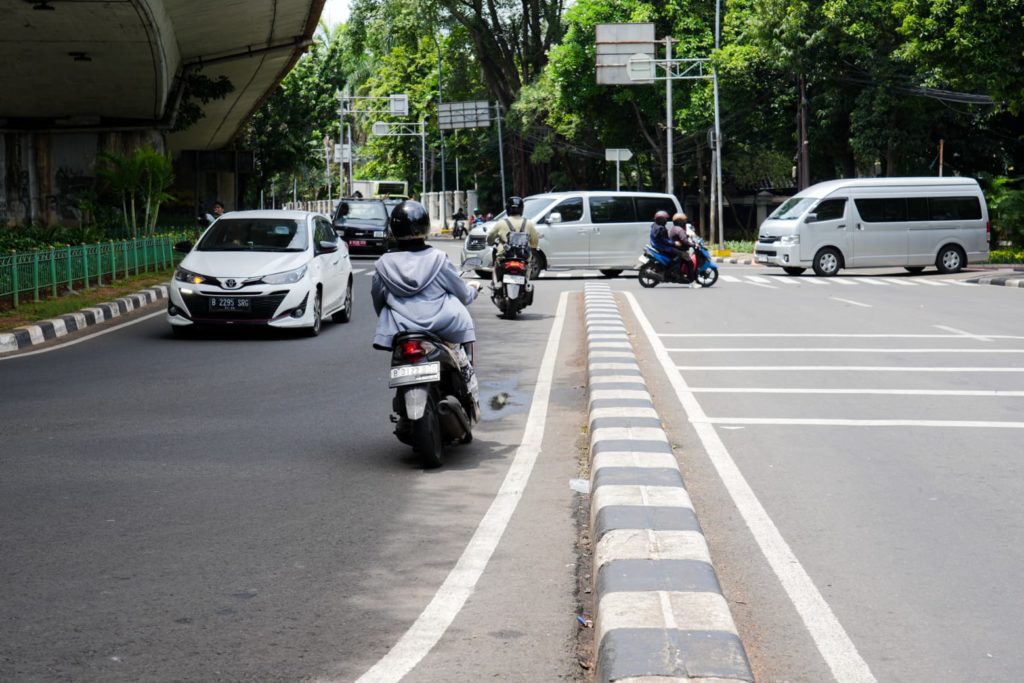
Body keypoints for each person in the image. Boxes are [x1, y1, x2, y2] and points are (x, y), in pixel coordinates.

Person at [372, 200, 482, 401]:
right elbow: (463, 295)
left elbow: (378, 303)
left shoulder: (382, 265)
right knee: (462, 355)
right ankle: (467, 376)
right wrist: (474, 289)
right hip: (443, 326)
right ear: (425, 226)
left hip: (402, 330)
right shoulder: (439, 259)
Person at [486, 196, 540, 270]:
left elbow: (490, 238)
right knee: (528, 269)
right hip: (524, 257)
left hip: (504, 257)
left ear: (507, 209)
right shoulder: (529, 223)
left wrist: (491, 242)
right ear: (522, 209)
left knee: (496, 268)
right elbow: (535, 243)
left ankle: (494, 280)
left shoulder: (501, 223)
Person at [669, 212, 697, 280]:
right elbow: (684, 241)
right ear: (679, 221)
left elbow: (681, 237)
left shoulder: (674, 228)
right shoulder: (680, 229)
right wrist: (692, 244)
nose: (685, 222)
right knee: (690, 263)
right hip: (680, 250)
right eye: (683, 221)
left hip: (675, 248)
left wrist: (688, 235)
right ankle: (691, 279)